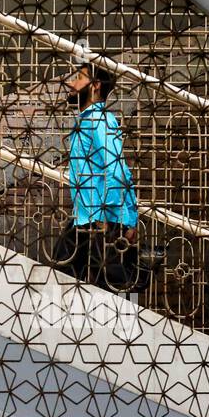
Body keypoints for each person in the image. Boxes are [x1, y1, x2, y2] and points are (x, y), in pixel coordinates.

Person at [51, 61, 146, 293]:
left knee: (107, 284)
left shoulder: (98, 119)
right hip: (87, 217)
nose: (71, 84)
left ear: (94, 86)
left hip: (102, 218)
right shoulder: (87, 120)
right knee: (65, 275)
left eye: (78, 78)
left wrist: (124, 219)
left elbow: (116, 168)